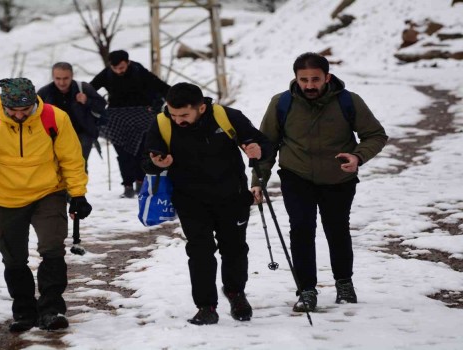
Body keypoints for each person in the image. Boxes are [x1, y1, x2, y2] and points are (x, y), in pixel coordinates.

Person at [250, 52, 388, 313]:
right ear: (296, 79)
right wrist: (258, 180)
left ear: (328, 77)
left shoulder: (349, 102)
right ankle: (306, 290)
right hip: (296, 175)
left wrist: (357, 156)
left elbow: (375, 135)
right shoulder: (281, 103)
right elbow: (266, 145)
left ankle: (344, 283)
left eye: (315, 79)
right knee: (301, 229)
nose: (310, 85)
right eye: (304, 80)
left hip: (339, 177)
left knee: (337, 229)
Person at [0, 78, 92, 332]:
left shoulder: (54, 118)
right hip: (5, 197)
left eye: (25, 110)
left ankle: (52, 309)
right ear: (4, 105)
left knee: (52, 247)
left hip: (48, 192)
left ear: (33, 102)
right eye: (13, 111)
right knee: (13, 256)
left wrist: (78, 194)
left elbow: (71, 159)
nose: (19, 115)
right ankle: (24, 311)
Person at [143, 82, 272, 325]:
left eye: (184, 115)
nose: (177, 119)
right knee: (200, 251)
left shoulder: (227, 117)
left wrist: (257, 149)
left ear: (201, 108)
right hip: (190, 200)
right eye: (173, 113)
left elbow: (262, 143)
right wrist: (157, 164)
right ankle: (206, 306)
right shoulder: (161, 123)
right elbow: (147, 159)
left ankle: (235, 293)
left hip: (231, 197)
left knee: (234, 248)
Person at [91, 50, 170, 198]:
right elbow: (91, 89)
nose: (118, 71)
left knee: (141, 151)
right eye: (115, 68)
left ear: (128, 62)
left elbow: (160, 87)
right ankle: (127, 185)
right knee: (122, 153)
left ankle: (140, 182)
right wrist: (95, 104)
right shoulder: (107, 74)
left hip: (141, 116)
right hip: (117, 119)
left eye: (121, 67)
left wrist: (158, 105)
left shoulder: (138, 71)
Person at [37, 62, 106, 172]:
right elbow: (34, 114)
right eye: (58, 78)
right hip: (55, 136)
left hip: (82, 134)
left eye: (66, 78)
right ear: (53, 76)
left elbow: (101, 105)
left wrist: (87, 100)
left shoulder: (83, 88)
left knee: (80, 166)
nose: (62, 82)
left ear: (72, 76)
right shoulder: (45, 93)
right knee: (57, 168)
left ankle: (78, 189)